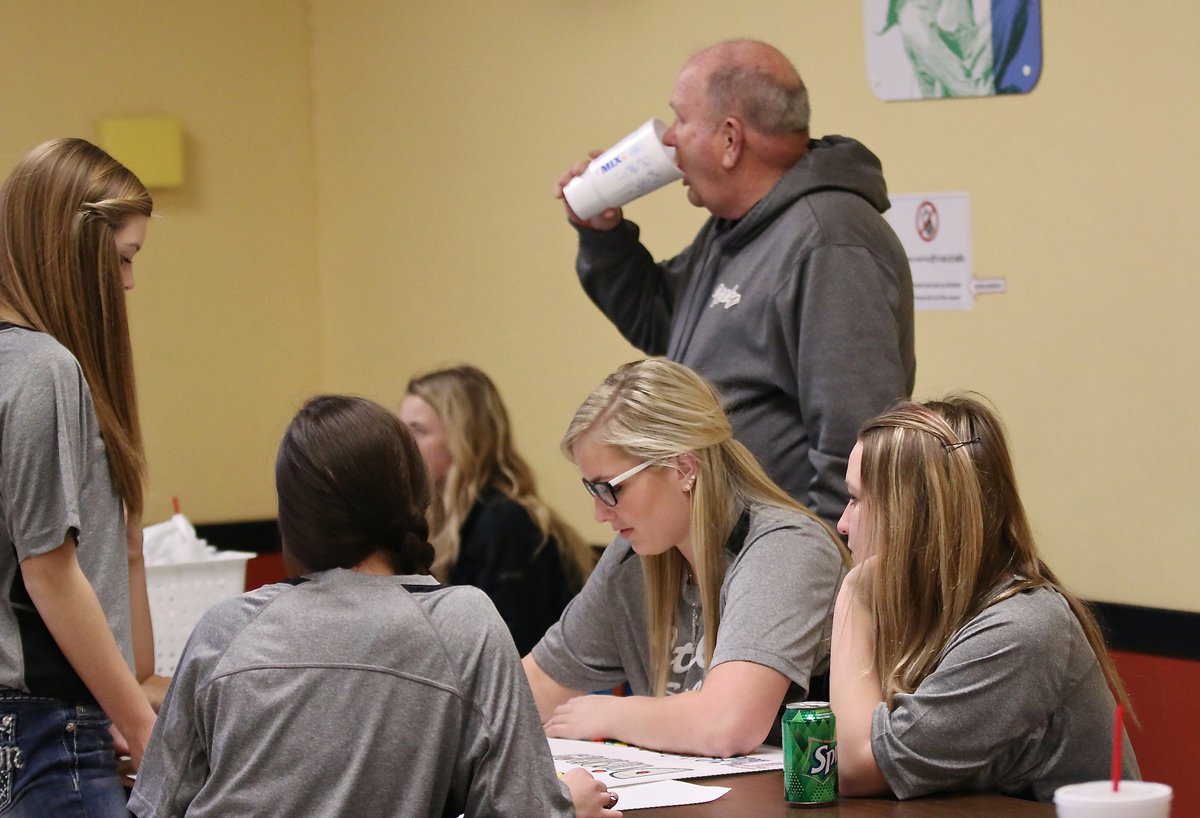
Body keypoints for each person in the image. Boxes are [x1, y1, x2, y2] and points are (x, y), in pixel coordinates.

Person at [129, 396, 620, 817]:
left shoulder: (225, 627)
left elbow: (158, 802)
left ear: (291, 517)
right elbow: (519, 808)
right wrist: (564, 805)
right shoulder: (461, 624)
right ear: (415, 498)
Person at [555, 38, 915, 532]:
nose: (668, 142)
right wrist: (605, 238)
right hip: (725, 553)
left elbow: (857, 445)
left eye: (680, 119)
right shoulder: (736, 228)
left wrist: (825, 575)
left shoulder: (828, 240)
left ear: (729, 139)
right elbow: (664, 321)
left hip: (788, 566)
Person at [523, 359, 847, 758]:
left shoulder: (788, 547)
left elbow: (727, 724)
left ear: (683, 468)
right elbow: (534, 688)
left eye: (610, 488)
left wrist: (611, 713)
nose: (600, 513)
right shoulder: (632, 556)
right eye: (592, 490)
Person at [829, 395, 1140, 801]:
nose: (842, 524)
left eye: (856, 500)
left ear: (914, 517)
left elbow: (852, 767)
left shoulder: (1022, 628)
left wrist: (852, 596)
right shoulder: (927, 605)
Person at [0, 138, 159, 814]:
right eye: (124, 259)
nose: (127, 283)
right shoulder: (43, 369)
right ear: (75, 247)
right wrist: (143, 723)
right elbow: (50, 572)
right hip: (47, 731)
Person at [401, 365, 596, 654]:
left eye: (417, 432)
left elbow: (508, 652)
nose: (403, 446)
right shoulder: (433, 518)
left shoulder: (507, 523)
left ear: (464, 439)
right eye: (401, 431)